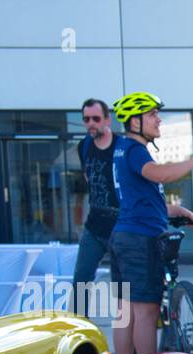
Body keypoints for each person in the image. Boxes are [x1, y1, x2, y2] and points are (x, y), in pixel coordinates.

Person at [109, 91, 193, 354]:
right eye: (152, 114)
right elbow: (159, 174)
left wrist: (178, 211)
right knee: (146, 312)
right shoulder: (135, 150)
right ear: (134, 121)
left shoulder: (122, 149)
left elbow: (142, 201)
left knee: (125, 312)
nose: (159, 120)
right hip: (140, 240)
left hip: (124, 236)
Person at [73, 98, 118, 317]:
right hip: (94, 225)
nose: (91, 123)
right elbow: (88, 178)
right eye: (86, 119)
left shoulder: (121, 147)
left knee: (123, 289)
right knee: (80, 282)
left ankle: (132, 344)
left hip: (119, 226)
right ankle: (79, 335)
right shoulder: (84, 146)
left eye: (96, 119)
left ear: (107, 120)